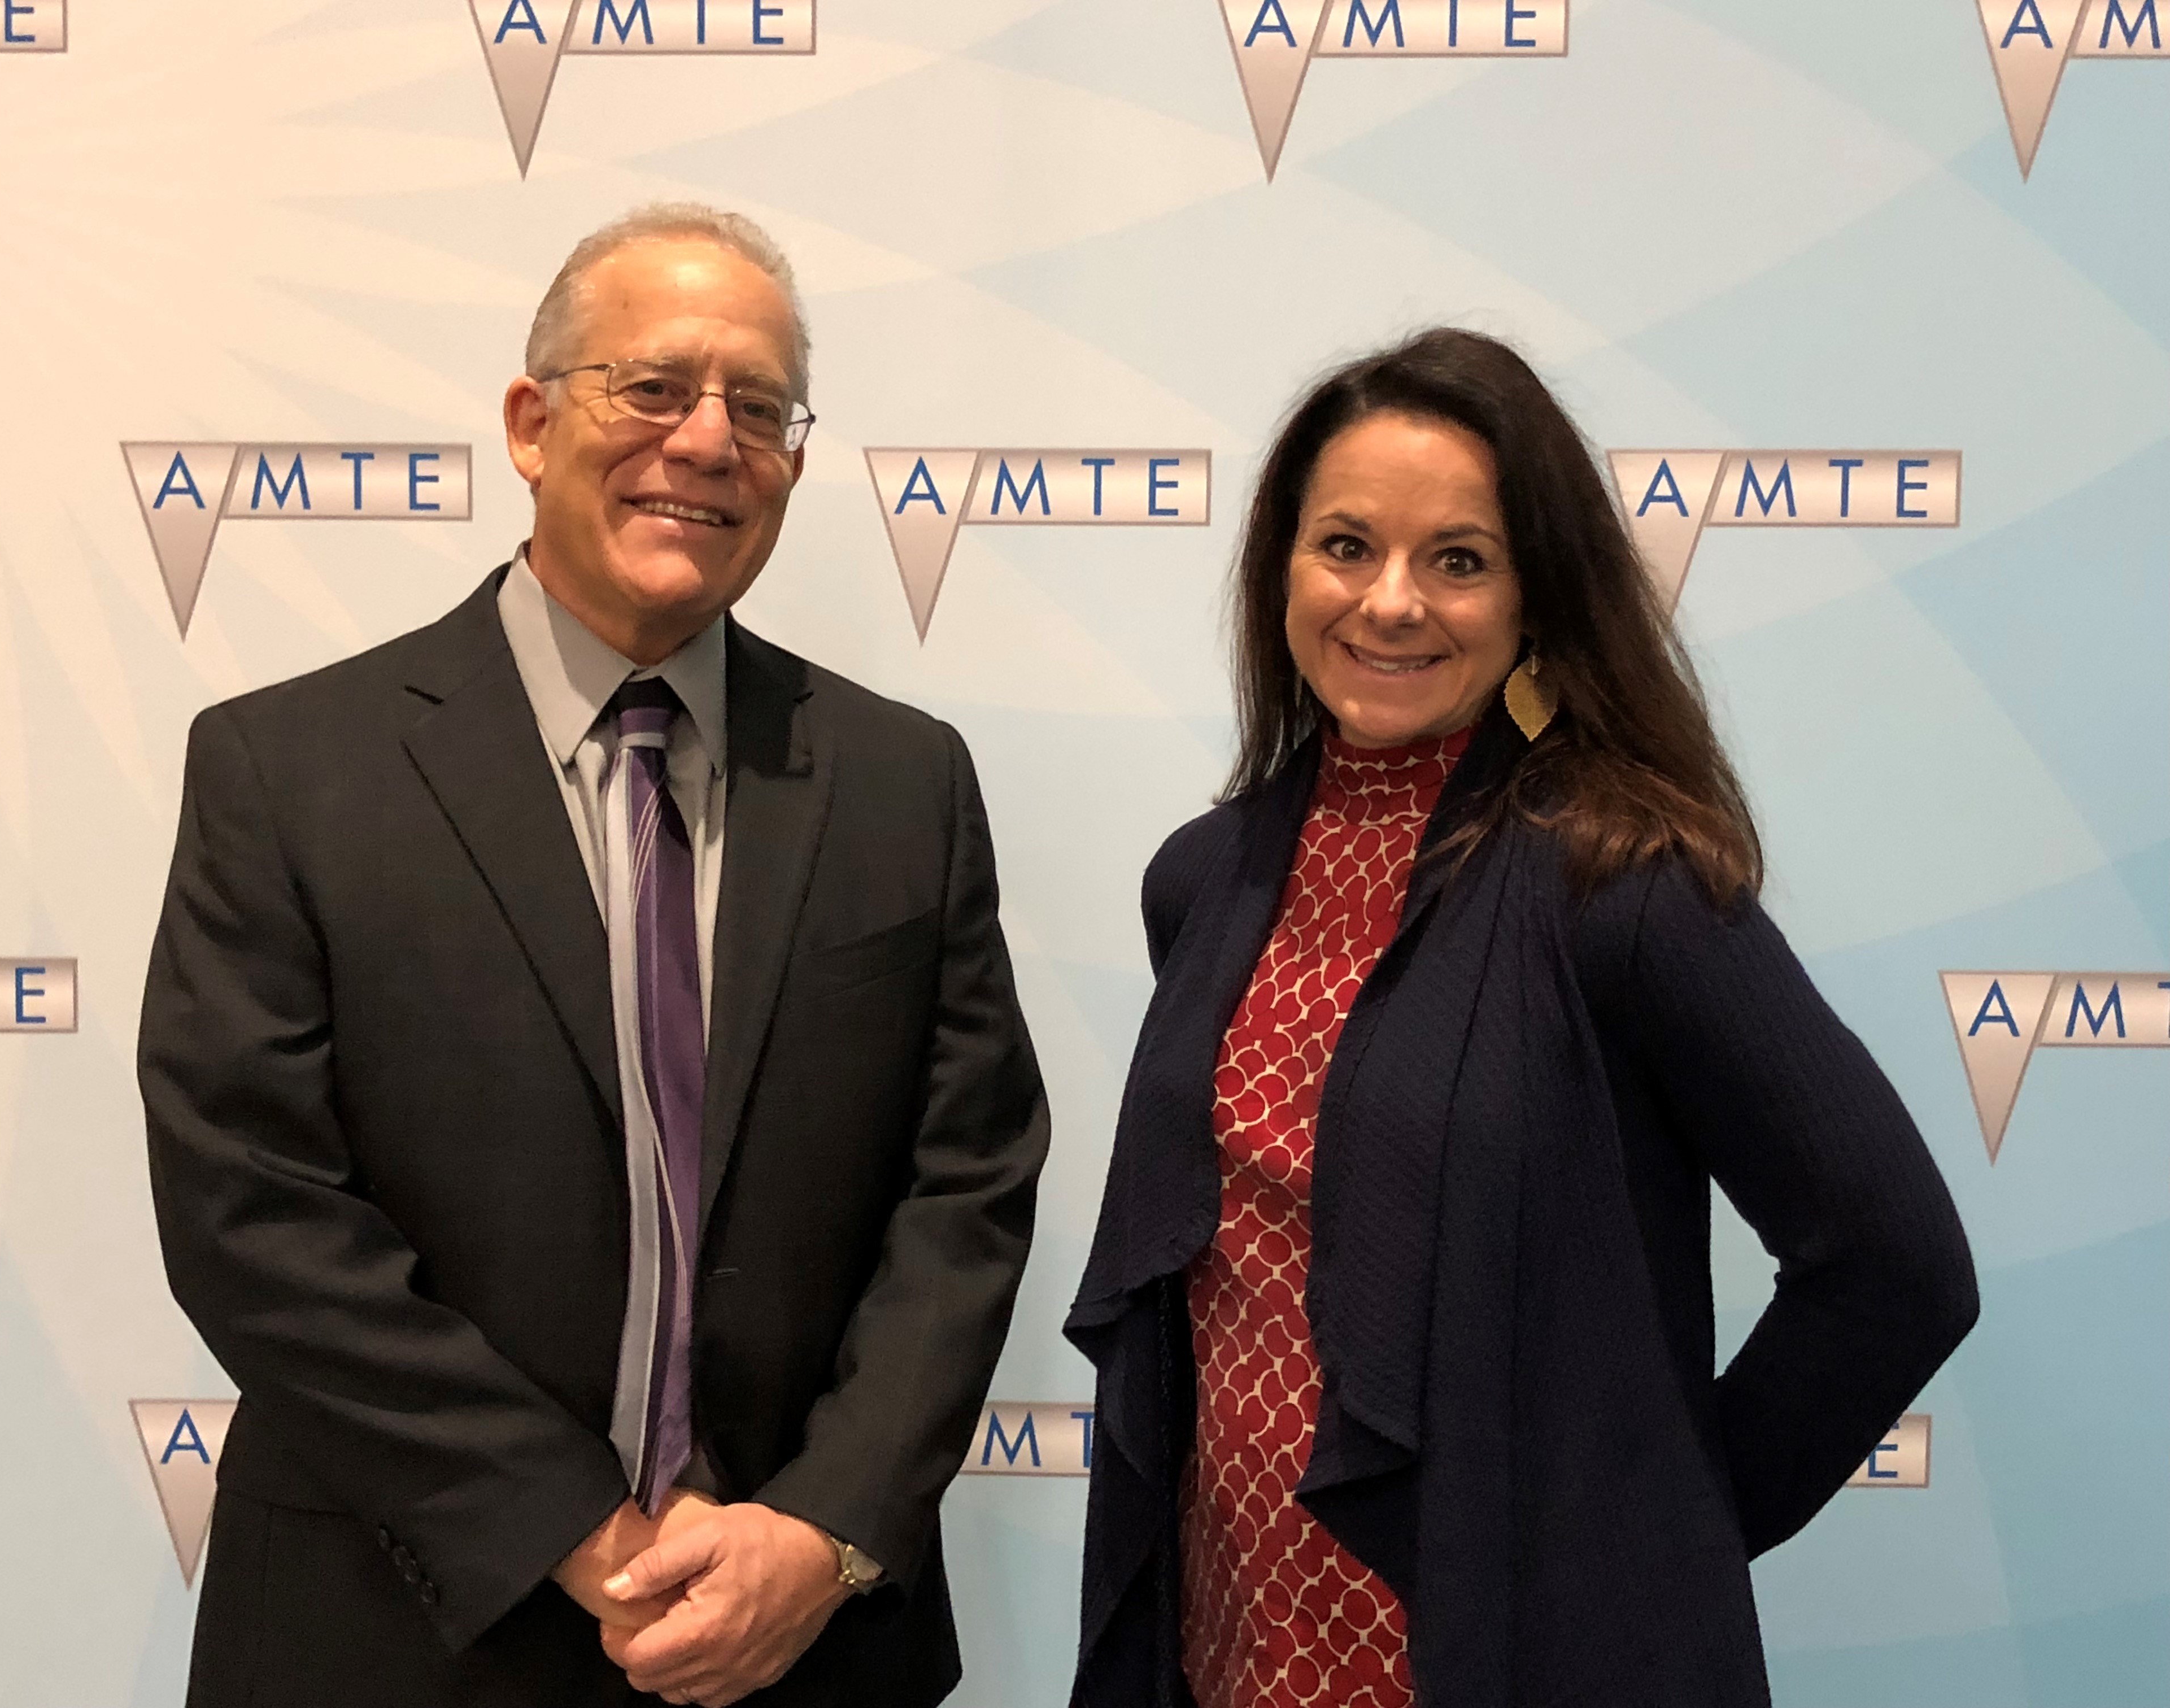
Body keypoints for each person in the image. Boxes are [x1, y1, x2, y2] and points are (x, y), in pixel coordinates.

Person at [139, 203, 1049, 1708]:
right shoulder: (286, 773)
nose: (708, 441)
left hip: (799, 1645)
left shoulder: (904, 783)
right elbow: (252, 1212)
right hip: (392, 1631)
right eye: (655, 387)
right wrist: (572, 1530)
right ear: (531, 422)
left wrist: (821, 1534)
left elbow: (969, 1186)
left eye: (760, 409)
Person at [1065, 329, 1979, 1708]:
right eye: (1346, 546)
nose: (1390, 603)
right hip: (1232, 1642)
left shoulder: (1626, 883)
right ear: (1281, 570)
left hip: (1500, 1660)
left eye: (1459, 559)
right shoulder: (1206, 881)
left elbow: (1897, 1265)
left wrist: (1653, 1536)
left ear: (1536, 593)